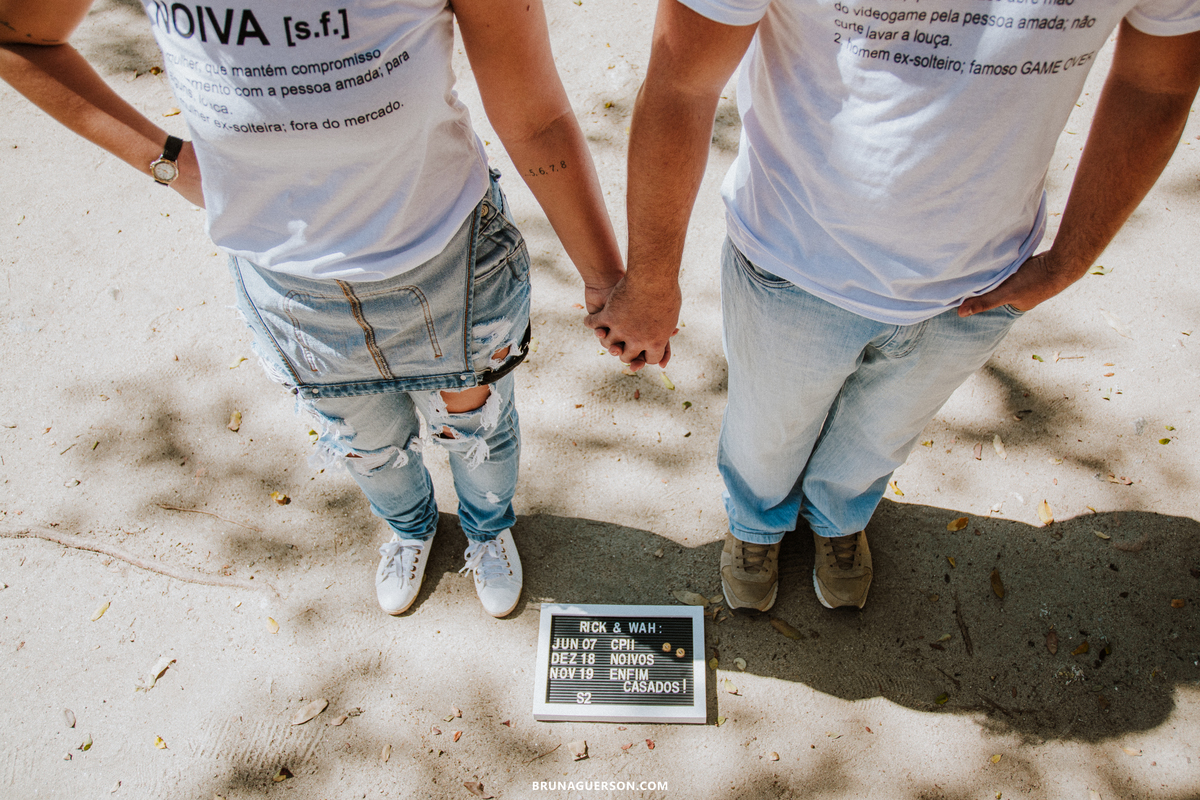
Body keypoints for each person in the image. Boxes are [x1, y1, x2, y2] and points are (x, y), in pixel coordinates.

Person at [0, 0, 625, 618]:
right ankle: (411, 528)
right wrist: (167, 159)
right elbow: (20, 35)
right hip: (290, 288)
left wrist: (608, 278)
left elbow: (536, 117)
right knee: (365, 444)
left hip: (446, 266)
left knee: (476, 429)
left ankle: (487, 530)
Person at [587, 0, 1200, 611]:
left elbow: (1160, 79)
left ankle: (838, 515)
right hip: (794, 261)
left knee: (880, 434)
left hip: (977, 283)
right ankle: (755, 522)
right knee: (765, 432)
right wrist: (649, 282)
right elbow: (681, 80)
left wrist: (1070, 258)